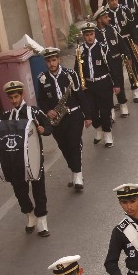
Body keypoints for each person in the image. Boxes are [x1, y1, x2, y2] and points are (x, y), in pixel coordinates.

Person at [0, 81, 51, 236]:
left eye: (16, 96)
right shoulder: (5, 116)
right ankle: (30, 215)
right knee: (20, 192)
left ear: (22, 95)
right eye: (11, 97)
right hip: (14, 162)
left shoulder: (35, 111)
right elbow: (2, 139)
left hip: (35, 159)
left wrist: (43, 129)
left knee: (39, 190)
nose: (14, 100)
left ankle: (42, 222)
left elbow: (49, 127)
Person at [36, 47, 88, 190]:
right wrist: (48, 110)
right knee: (64, 147)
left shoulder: (70, 74)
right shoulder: (42, 79)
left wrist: (88, 116)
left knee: (73, 144)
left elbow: (80, 95)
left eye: (54, 60)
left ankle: (78, 175)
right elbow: (41, 100)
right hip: (57, 120)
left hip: (74, 115)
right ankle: (73, 170)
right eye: (48, 61)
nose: (52, 63)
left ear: (59, 59)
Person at [78, 21, 120, 146]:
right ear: (83, 36)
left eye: (91, 34)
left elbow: (112, 66)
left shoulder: (103, 47)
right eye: (87, 35)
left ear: (94, 34)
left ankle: (107, 134)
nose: (89, 37)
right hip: (89, 86)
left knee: (105, 110)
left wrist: (116, 83)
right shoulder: (80, 50)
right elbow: (78, 69)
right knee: (91, 112)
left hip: (103, 83)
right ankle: (98, 129)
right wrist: (80, 84)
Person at [94, 4, 129, 119]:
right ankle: (111, 111)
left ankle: (123, 104)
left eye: (108, 16)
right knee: (107, 88)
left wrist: (127, 55)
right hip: (103, 65)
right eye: (105, 17)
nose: (108, 18)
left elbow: (121, 43)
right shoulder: (94, 33)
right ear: (99, 20)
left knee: (119, 83)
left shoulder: (112, 30)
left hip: (115, 61)